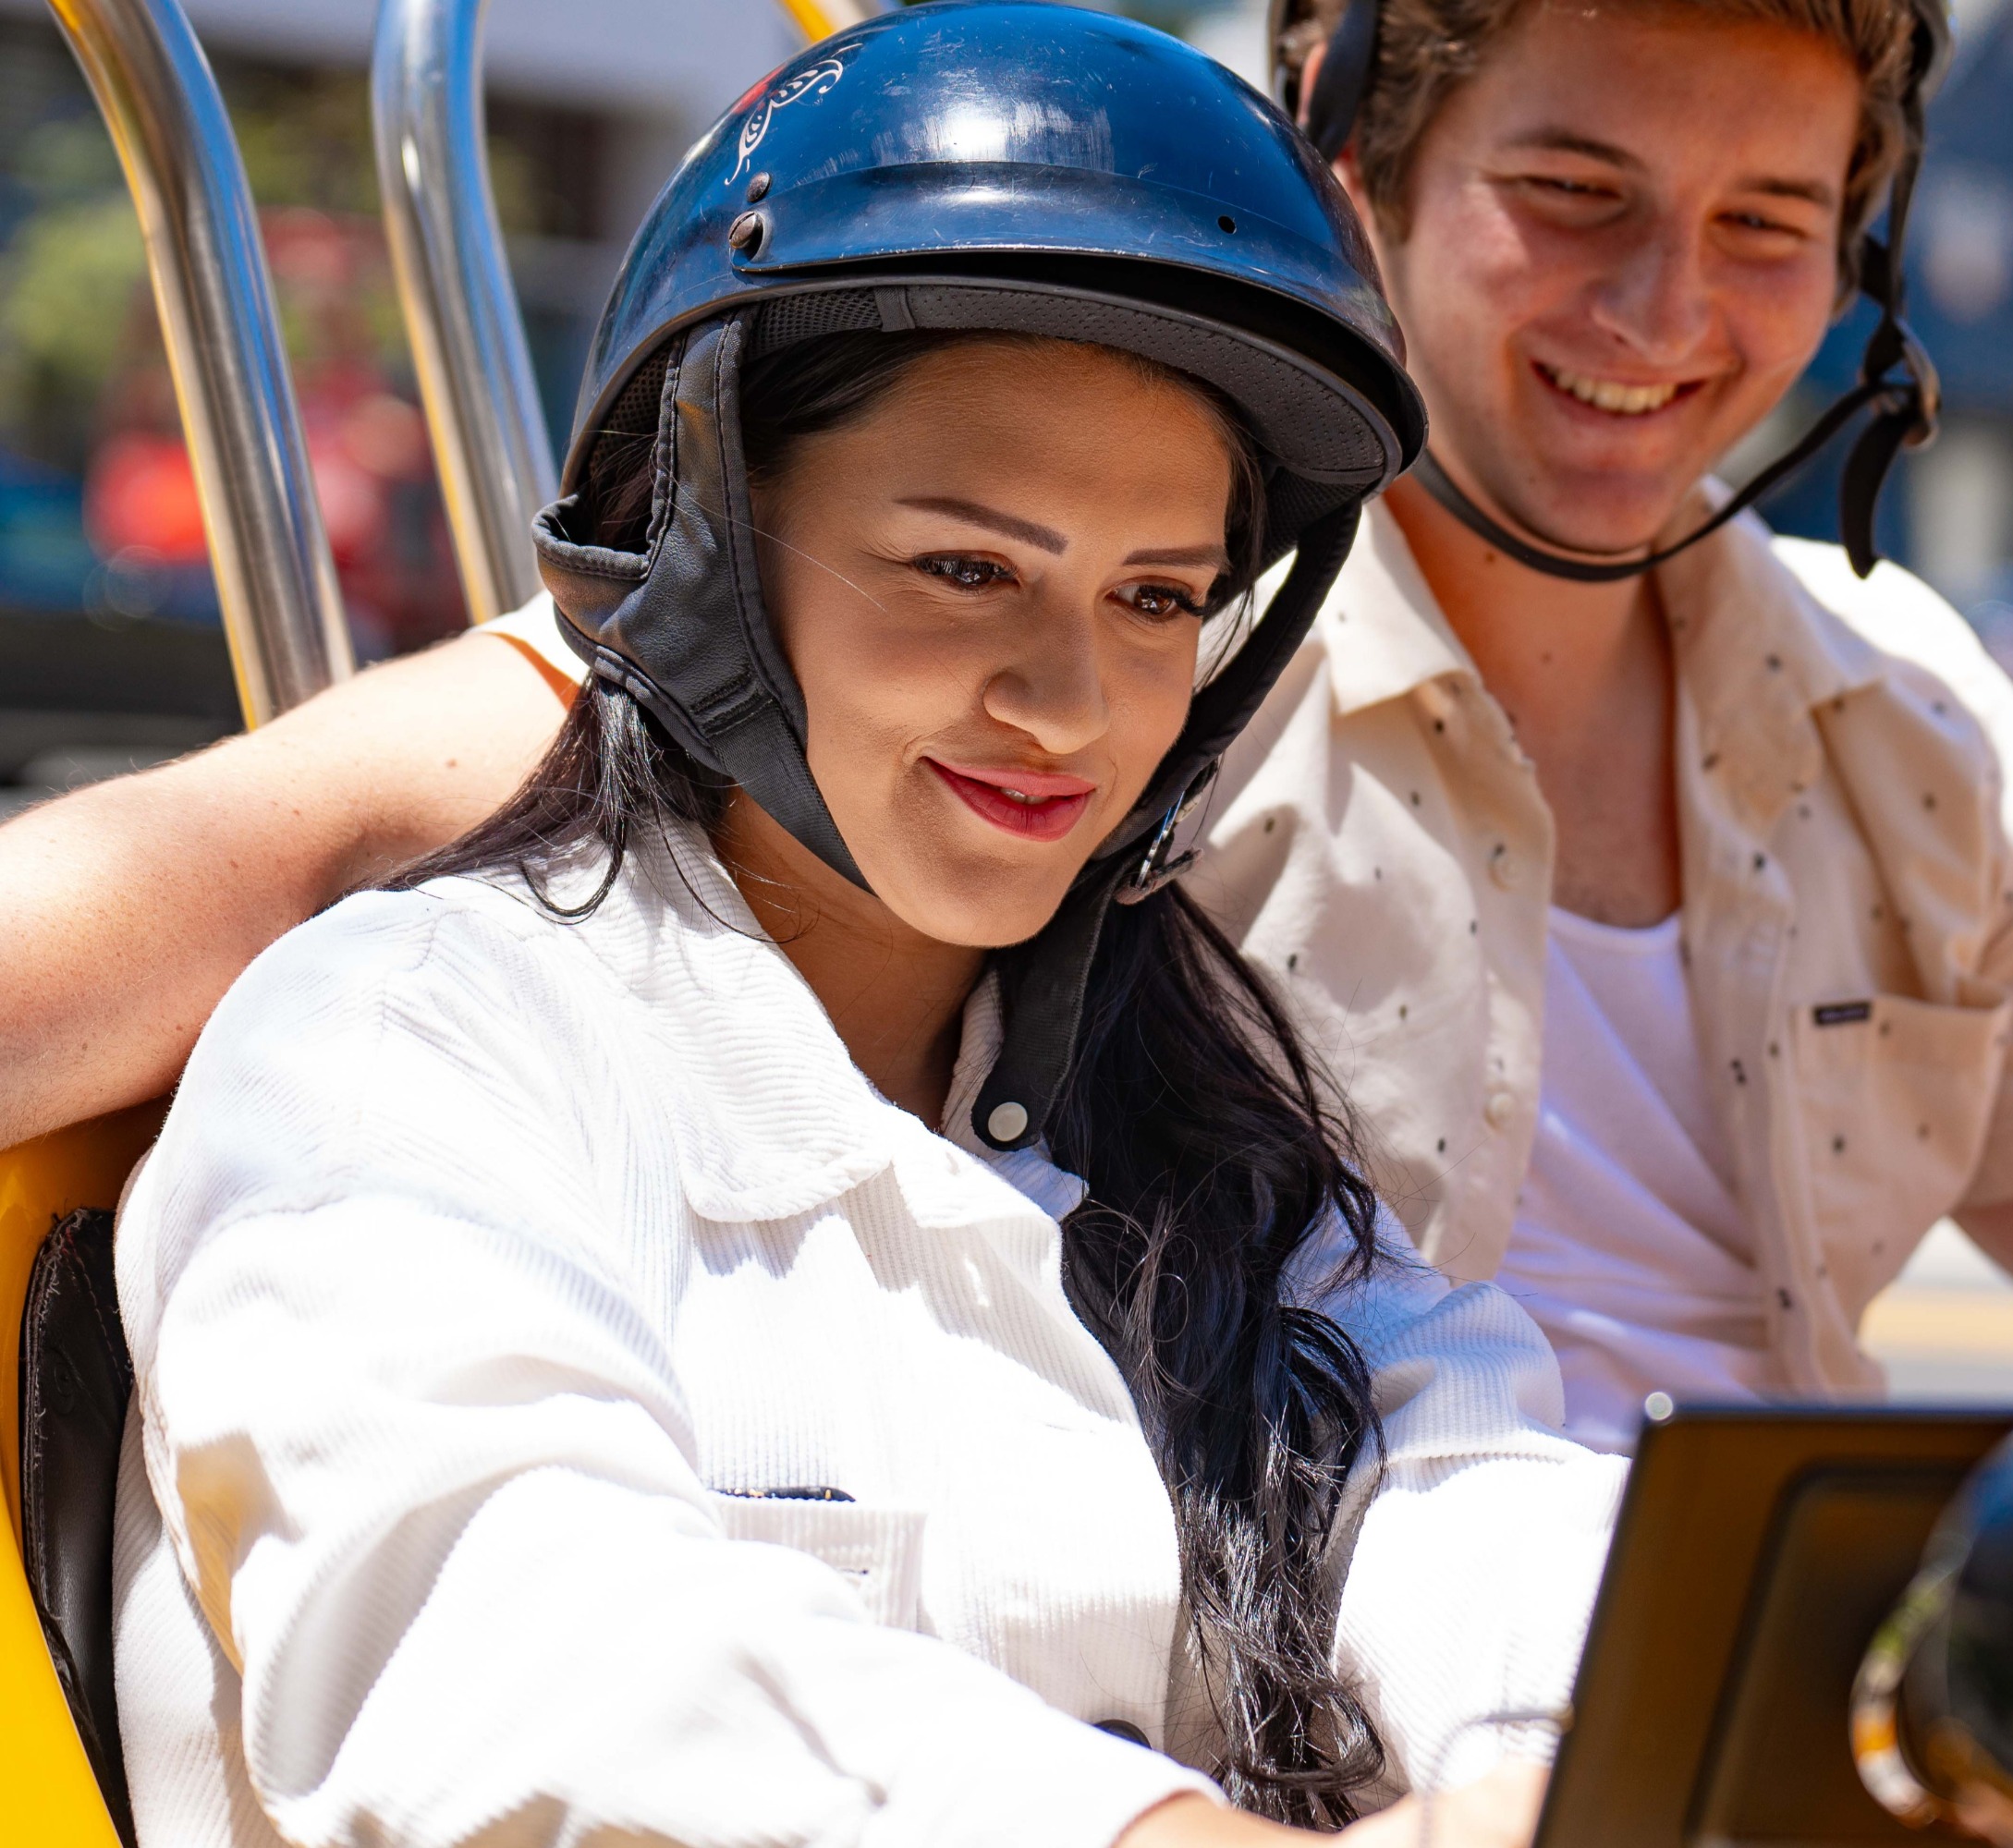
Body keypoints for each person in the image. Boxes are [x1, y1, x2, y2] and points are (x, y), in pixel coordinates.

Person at [0, 0, 2013, 1450]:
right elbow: (271, 856)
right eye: (1572, 190)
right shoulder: (1120, 634)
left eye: (1768, 222)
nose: (1665, 313)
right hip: (1248, 1692)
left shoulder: (1913, 717)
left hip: (1740, 1694)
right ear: (1350, 139)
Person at [109, 12, 1617, 1847]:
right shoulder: (401, 1057)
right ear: (706, 544)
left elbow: (1466, 1481)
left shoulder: (1192, 1134)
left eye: (1156, 597)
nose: (1069, 700)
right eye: (965, 568)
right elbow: (524, 1651)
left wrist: (1576, 1751)